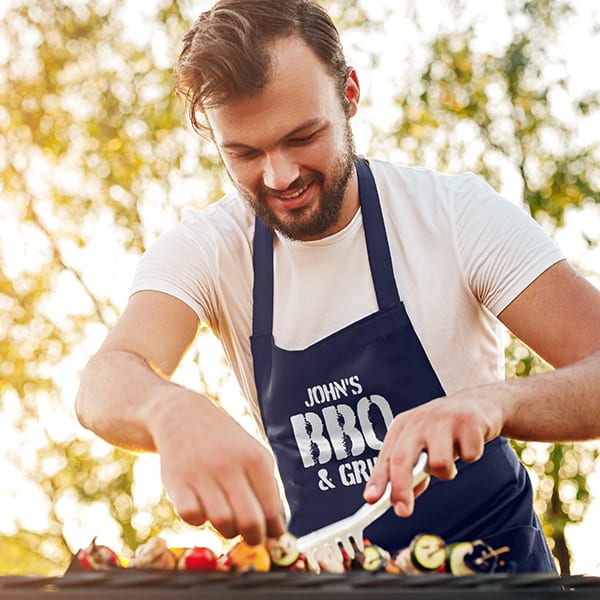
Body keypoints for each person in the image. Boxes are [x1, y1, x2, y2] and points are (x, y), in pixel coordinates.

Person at [75, 0, 600, 573]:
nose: (280, 177)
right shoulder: (208, 249)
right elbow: (104, 379)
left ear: (349, 94)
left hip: (498, 571)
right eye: (245, 153)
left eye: (302, 136)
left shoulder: (453, 214)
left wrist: (495, 402)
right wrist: (166, 411)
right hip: (333, 580)